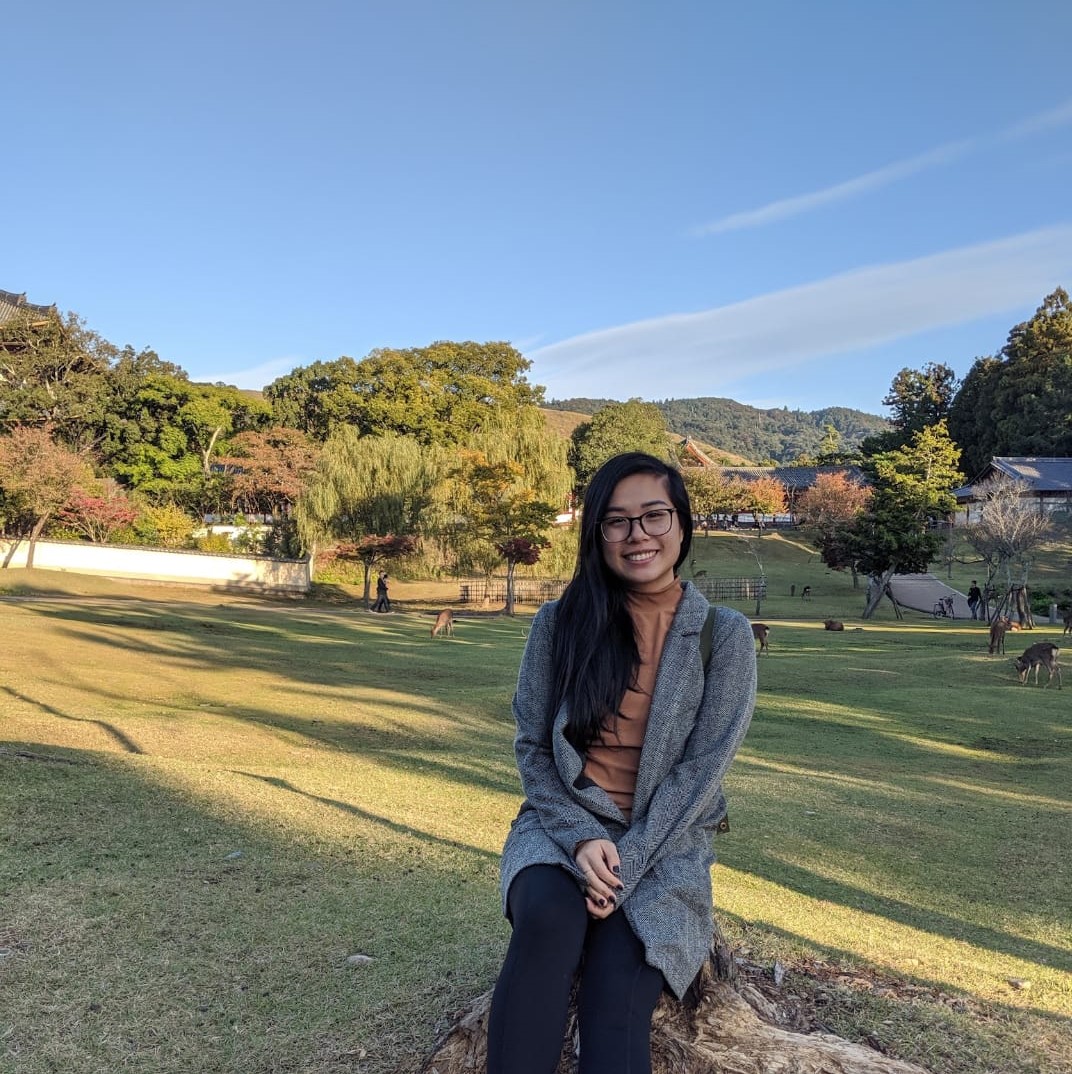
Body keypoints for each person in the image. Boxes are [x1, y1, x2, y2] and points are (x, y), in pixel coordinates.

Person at [487, 452, 756, 1074]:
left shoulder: (725, 633)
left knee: (616, 989)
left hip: (665, 845)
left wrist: (624, 866)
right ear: (597, 534)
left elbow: (702, 771)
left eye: (654, 516)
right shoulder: (560, 624)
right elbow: (532, 745)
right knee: (548, 924)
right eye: (617, 521)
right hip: (561, 828)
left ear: (682, 525)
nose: (638, 536)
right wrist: (581, 837)